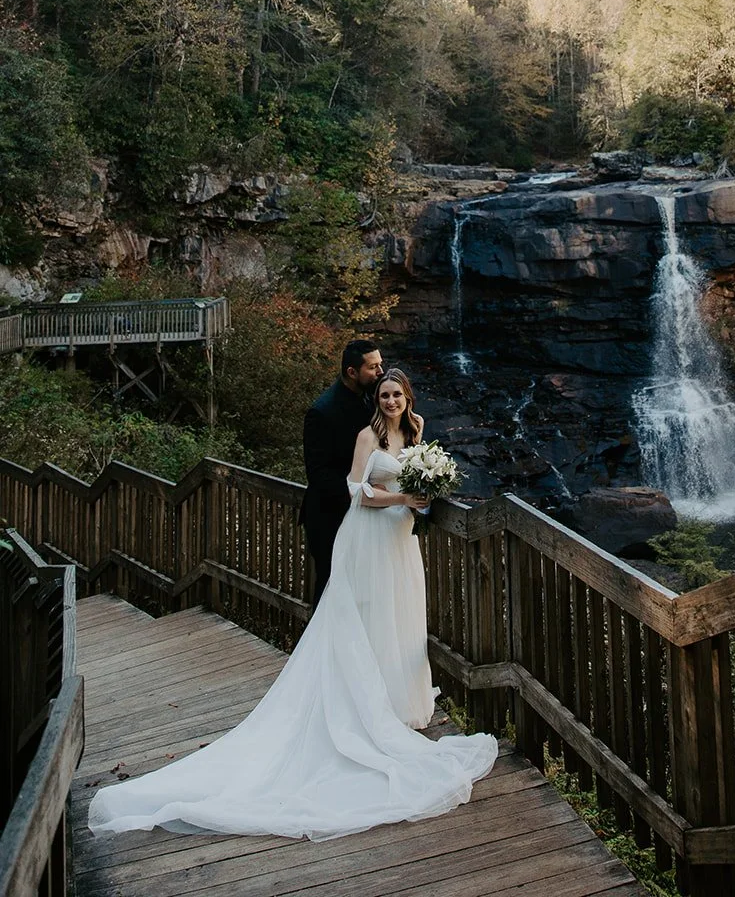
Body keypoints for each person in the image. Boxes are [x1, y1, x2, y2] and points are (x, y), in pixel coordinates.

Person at [88, 369, 497, 840]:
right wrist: (405, 495)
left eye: (396, 395)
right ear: (376, 399)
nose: (390, 402)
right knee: (365, 618)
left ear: (408, 397)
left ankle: (397, 703)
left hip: (401, 541)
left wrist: (425, 500)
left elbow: (419, 488)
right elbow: (354, 491)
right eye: (383, 394)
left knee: (398, 614)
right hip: (366, 539)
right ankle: (366, 709)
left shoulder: (419, 430)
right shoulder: (368, 436)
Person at [300, 337, 383, 605]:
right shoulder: (322, 413)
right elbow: (319, 474)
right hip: (330, 518)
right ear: (351, 372)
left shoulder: (373, 399)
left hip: (364, 514)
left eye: (380, 365)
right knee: (330, 593)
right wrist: (363, 493)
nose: (380, 372)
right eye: (373, 367)